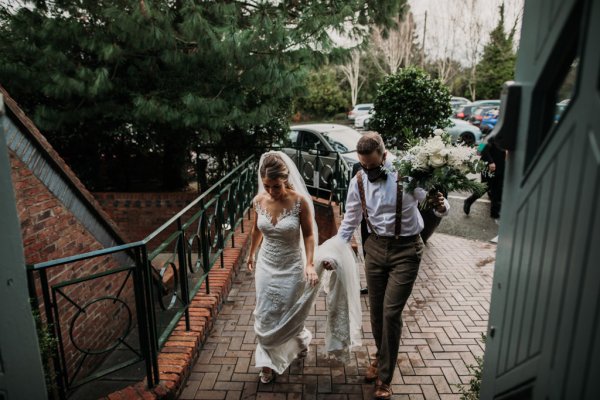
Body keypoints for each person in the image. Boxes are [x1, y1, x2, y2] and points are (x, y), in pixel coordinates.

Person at [330, 133, 449, 400]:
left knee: (391, 313)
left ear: (384, 156)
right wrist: (334, 252)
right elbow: (350, 221)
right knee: (376, 313)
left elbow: (435, 204)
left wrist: (442, 205)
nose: (368, 171)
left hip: (406, 250)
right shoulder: (358, 181)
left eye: (373, 165)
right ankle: (380, 355)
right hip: (374, 249)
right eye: (363, 165)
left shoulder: (408, 177)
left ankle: (384, 377)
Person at [246, 151, 361, 384]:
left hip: (292, 264)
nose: (271, 191)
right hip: (266, 265)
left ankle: (299, 339)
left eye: (276, 186)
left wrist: (309, 264)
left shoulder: (299, 202)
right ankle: (267, 363)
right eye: (267, 186)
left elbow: (309, 235)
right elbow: (257, 229)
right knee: (266, 313)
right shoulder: (259, 201)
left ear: (285, 180)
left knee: (289, 310)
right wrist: (251, 254)